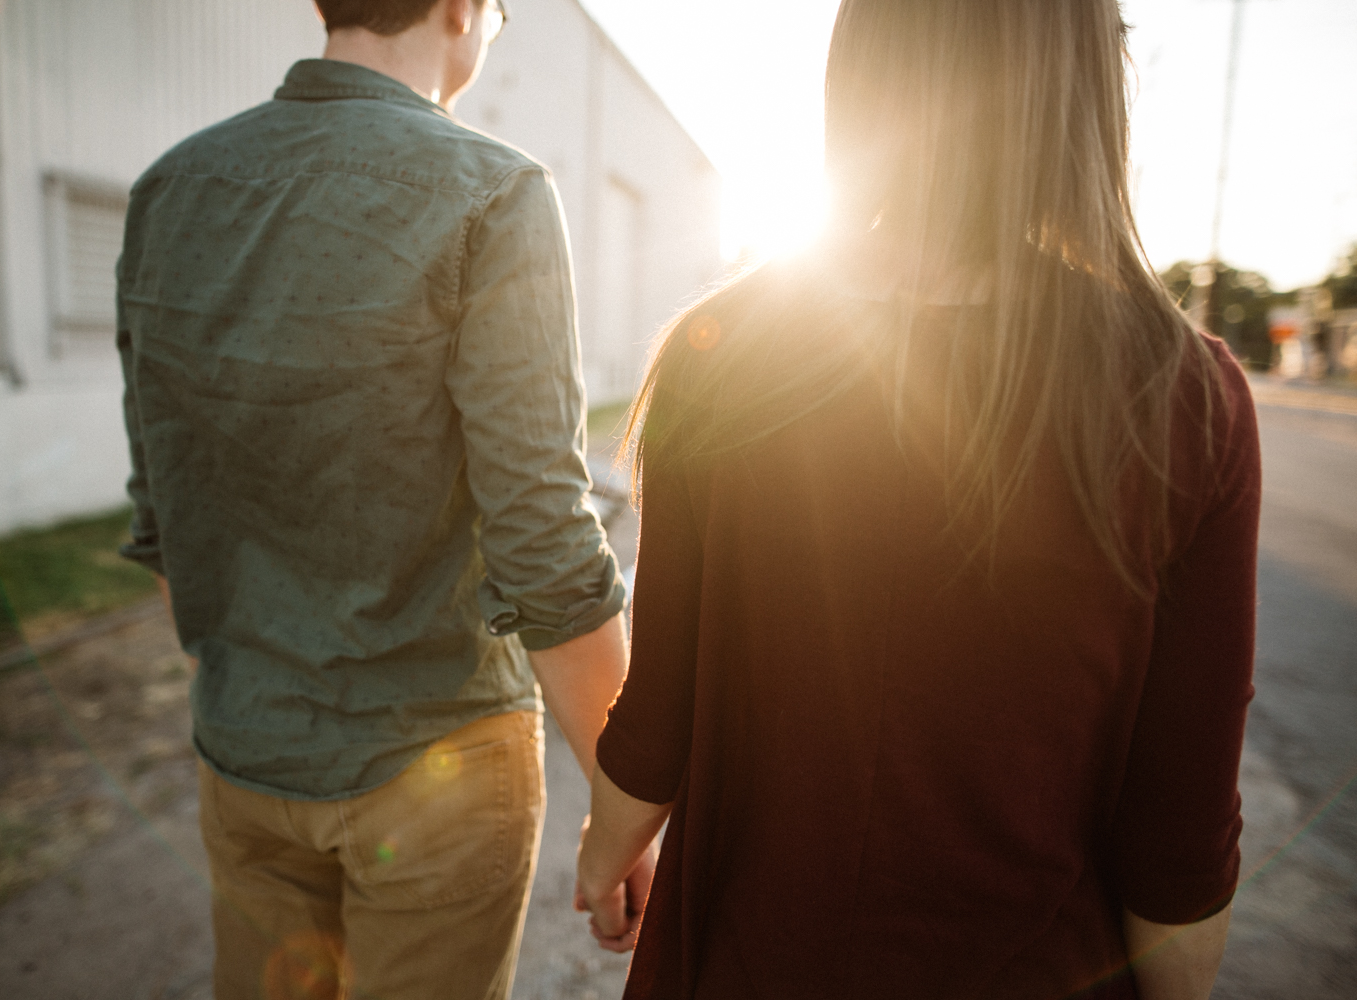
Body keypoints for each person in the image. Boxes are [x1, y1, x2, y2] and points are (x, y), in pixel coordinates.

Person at [575, 2, 1259, 998]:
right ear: (1085, 89)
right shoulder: (1183, 397)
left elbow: (658, 721)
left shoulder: (722, 353)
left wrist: (604, 862)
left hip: (744, 962)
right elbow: (1182, 834)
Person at [116, 1, 640, 997]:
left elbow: (166, 510)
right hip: (435, 767)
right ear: (458, 10)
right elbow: (544, 538)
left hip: (243, 756)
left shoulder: (168, 190)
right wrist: (621, 803)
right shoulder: (494, 191)